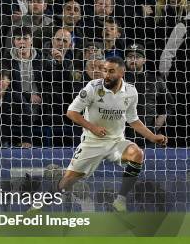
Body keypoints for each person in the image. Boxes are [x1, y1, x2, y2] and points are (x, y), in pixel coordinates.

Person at [58, 57, 167, 212]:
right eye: (104, 70)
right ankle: (38, 206)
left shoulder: (131, 91)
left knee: (137, 154)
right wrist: (93, 128)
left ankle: (120, 200)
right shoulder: (93, 87)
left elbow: (133, 120)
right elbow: (71, 112)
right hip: (92, 142)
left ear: (122, 72)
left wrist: (153, 137)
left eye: (111, 71)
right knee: (67, 181)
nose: (106, 75)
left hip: (116, 142)